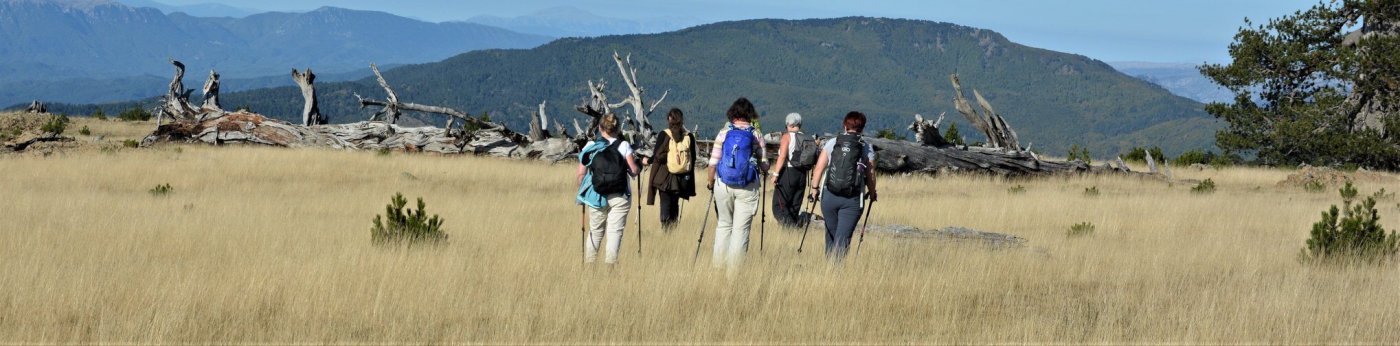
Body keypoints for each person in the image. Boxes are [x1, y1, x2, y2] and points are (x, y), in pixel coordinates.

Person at [706, 97, 768, 273]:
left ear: (732, 113)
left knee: (724, 225)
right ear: (750, 114)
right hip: (747, 186)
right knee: (740, 230)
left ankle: (717, 268)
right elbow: (764, 164)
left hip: (723, 185)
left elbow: (713, 163)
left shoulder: (724, 132)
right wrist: (763, 166)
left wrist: (710, 183)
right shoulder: (755, 134)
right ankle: (734, 273)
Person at [808, 111, 877, 263]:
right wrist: (872, 194)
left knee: (831, 233)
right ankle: (836, 272)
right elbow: (870, 174)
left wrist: (814, 190)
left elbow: (819, 168)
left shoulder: (833, 142)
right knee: (843, 237)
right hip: (852, 200)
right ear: (862, 128)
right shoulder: (866, 147)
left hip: (829, 196)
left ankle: (828, 268)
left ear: (845, 125)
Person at [575, 114, 639, 265]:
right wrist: (639, 166)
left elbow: (580, 175)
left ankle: (589, 267)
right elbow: (634, 170)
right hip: (620, 195)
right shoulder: (623, 146)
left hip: (596, 195)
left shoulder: (590, 147)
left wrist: (584, 190)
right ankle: (610, 267)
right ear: (617, 129)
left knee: (595, 232)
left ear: (600, 128)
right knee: (615, 232)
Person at [645, 108, 697, 231]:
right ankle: (673, 231)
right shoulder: (688, 137)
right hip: (681, 180)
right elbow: (693, 158)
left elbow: (657, 155)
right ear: (682, 120)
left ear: (669, 119)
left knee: (665, 205)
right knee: (675, 206)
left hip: (665, 179)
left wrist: (647, 161)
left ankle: (665, 232)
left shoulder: (664, 134)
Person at [768, 112, 817, 228]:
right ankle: (792, 231)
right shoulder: (808, 138)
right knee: (794, 207)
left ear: (789, 124)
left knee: (779, 207)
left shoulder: (787, 136)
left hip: (788, 174)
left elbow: (782, 156)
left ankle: (790, 229)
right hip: (802, 175)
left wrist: (775, 174)